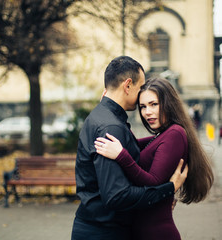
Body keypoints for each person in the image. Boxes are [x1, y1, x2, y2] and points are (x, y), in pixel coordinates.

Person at [71, 56, 188, 240]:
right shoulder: (111, 127)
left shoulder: (102, 116)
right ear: (127, 86)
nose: (143, 93)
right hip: (105, 232)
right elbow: (117, 195)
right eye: (141, 87)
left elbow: (132, 148)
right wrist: (167, 190)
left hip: (95, 227)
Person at [94, 77, 214, 240]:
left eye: (153, 104)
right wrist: (110, 109)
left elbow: (153, 182)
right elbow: (131, 143)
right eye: (143, 106)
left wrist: (122, 156)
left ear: (168, 103)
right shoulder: (161, 136)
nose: (147, 112)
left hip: (157, 233)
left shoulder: (174, 134)